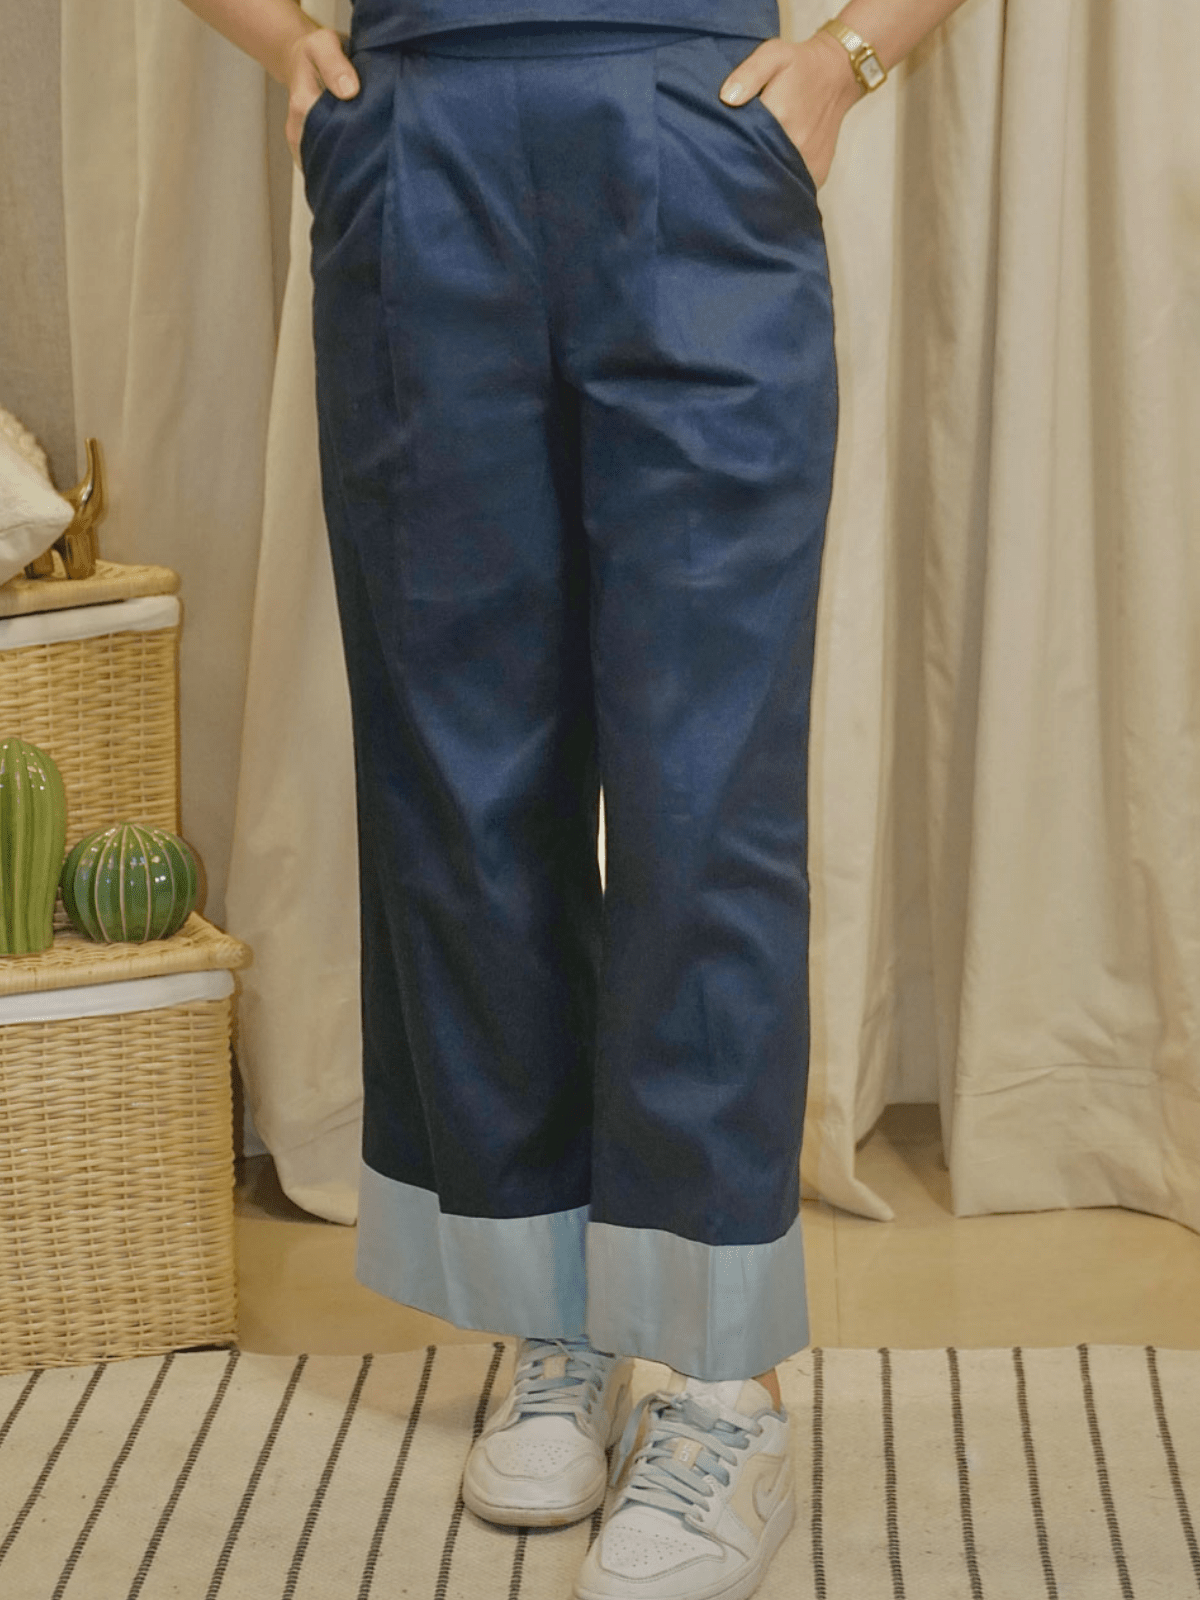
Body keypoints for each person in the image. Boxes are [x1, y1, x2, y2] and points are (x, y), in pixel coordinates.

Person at [181, 1, 973, 1595]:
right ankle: (563, 1320)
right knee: (462, 778)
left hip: (693, 125)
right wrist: (284, 47)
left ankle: (726, 1390)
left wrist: (851, 57)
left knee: (705, 789)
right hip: (420, 141)